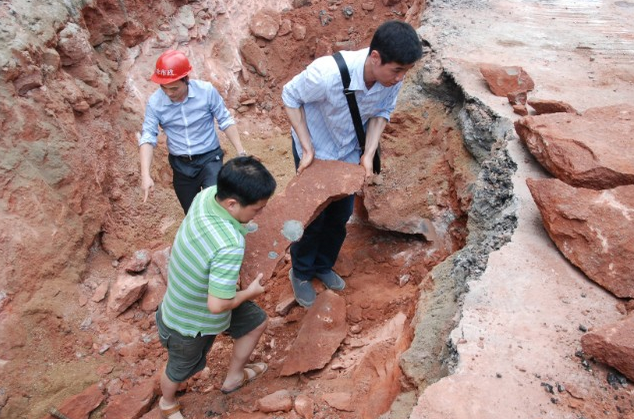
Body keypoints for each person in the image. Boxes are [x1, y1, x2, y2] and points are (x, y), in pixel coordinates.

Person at [281, 20, 423, 307]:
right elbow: (290, 96)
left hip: (347, 155)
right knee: (313, 220)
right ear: (375, 58)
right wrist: (307, 147)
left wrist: (368, 154)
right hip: (317, 152)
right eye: (396, 71)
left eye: (405, 72)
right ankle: (302, 272)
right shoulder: (325, 75)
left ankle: (323, 265)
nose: (399, 78)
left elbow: (382, 110)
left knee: (338, 218)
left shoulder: (392, 77)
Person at [155, 156, 276, 419]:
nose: (260, 214)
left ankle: (233, 378)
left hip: (188, 296)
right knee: (178, 369)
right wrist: (251, 292)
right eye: (256, 209)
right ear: (232, 204)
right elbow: (217, 305)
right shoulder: (229, 243)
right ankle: (166, 403)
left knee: (255, 321)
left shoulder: (207, 195)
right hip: (187, 322)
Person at [139, 49, 248, 214]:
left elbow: (225, 120)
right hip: (181, 166)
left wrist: (241, 152)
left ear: (186, 80)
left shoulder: (206, 92)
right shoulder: (155, 103)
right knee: (193, 213)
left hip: (209, 158)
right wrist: (145, 174)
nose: (169, 93)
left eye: (174, 88)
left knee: (217, 205)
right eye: (164, 88)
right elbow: (148, 137)